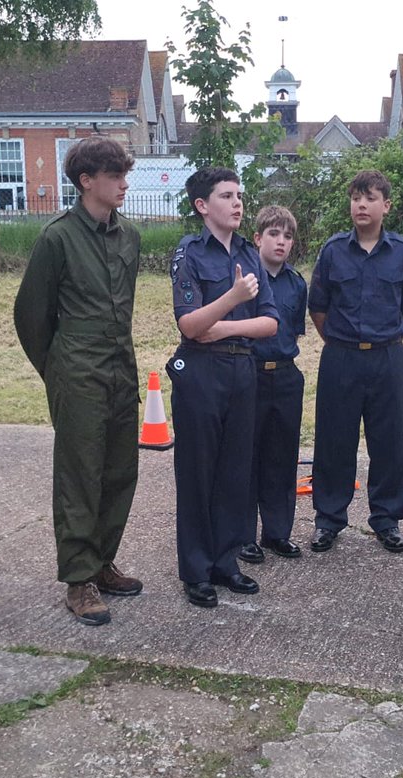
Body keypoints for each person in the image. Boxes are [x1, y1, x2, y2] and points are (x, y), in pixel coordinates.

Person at [14, 136, 143, 627]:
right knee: (79, 476)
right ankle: (78, 580)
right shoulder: (57, 239)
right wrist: (57, 370)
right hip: (77, 371)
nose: (124, 184)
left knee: (118, 471)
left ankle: (103, 561)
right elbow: (31, 316)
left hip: (120, 368)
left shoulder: (128, 236)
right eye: (115, 176)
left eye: (124, 175)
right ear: (87, 181)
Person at [166, 167, 278, 608]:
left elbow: (270, 322)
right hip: (201, 373)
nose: (237, 203)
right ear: (202, 206)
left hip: (241, 371)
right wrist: (231, 298)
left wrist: (222, 325)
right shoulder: (189, 253)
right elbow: (190, 326)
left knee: (235, 470)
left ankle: (226, 561)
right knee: (198, 472)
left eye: (239, 195)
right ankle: (196, 570)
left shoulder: (250, 255)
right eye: (226, 196)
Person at [307, 170, 403, 555]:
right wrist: (345, 343)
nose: (361, 204)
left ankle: (386, 520)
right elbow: (318, 308)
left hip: (387, 357)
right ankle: (328, 519)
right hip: (340, 357)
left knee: (387, 442)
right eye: (356, 197)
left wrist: (381, 339)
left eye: (370, 198)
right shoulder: (333, 250)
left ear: (385, 206)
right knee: (333, 440)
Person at [238, 205, 309, 564]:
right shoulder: (245, 281)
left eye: (287, 236)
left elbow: (294, 329)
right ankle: (242, 535)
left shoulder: (297, 283)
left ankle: (277, 532)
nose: (281, 242)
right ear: (257, 239)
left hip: (284, 375)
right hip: (249, 373)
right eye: (274, 234)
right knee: (247, 454)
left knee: (282, 456)